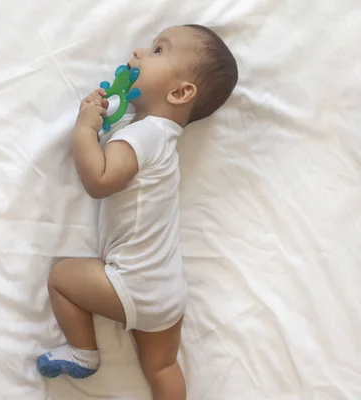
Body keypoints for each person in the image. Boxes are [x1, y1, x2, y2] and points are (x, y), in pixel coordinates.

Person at [37, 24, 238, 400]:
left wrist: (84, 129)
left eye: (158, 51)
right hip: (167, 292)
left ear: (180, 92)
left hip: (133, 284)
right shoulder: (156, 137)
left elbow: (99, 180)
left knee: (62, 278)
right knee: (162, 367)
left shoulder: (143, 135)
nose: (138, 53)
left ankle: (83, 353)